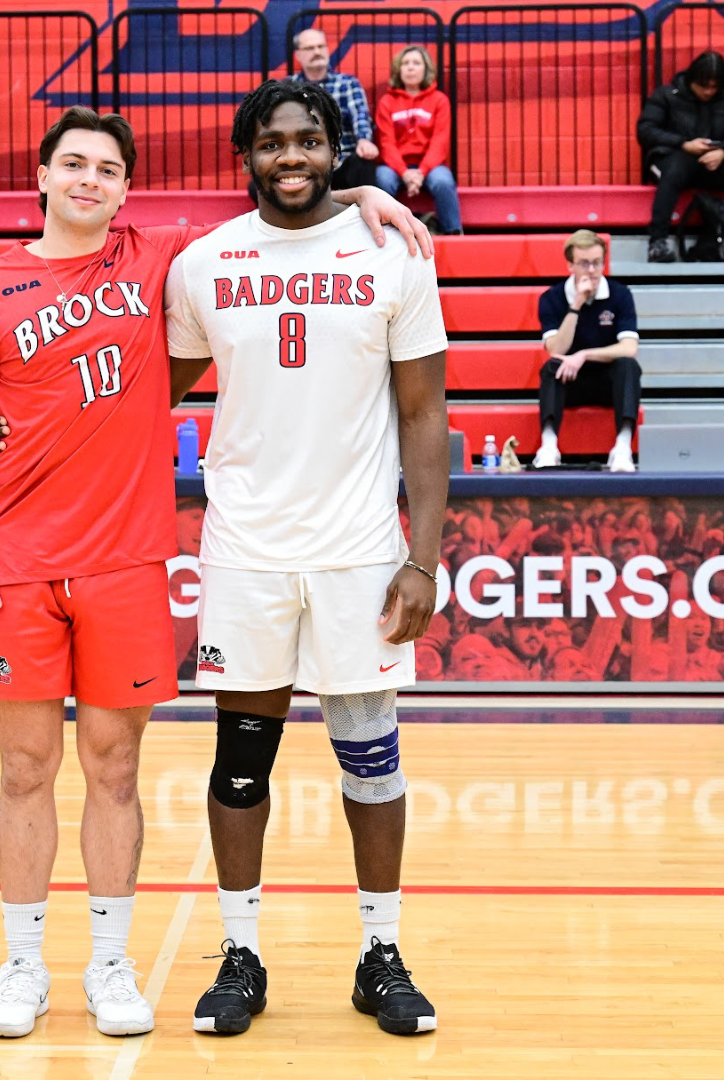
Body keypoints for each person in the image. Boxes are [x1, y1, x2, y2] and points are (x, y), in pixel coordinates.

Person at [0, 106, 428, 1041]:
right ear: (40, 177)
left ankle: (111, 965)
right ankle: (23, 965)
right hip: (19, 563)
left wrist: (361, 191)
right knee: (25, 771)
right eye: (71, 164)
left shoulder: (165, 256)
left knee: (115, 772)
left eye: (107, 169)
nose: (88, 180)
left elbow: (288, 207)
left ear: (126, 189)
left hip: (125, 559)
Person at [165, 79, 450, 1037]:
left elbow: (424, 416)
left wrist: (424, 555)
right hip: (245, 548)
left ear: (338, 148)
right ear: (246, 155)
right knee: (241, 759)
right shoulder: (205, 262)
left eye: (310, 140)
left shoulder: (391, 251)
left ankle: (381, 953)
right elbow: (140, 391)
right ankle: (240, 954)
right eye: (273, 143)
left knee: (371, 757)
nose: (292, 157)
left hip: (359, 552)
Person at [636, 51, 724, 264]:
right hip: (673, 158)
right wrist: (683, 144)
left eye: (714, 87)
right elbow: (646, 130)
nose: (709, 92)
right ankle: (658, 241)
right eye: (703, 86)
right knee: (675, 170)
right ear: (691, 80)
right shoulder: (666, 95)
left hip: (715, 160)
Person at [533, 230, 641, 472]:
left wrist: (583, 355)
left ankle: (622, 447)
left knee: (628, 366)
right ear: (570, 264)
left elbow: (629, 347)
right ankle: (549, 446)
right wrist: (576, 305)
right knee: (551, 368)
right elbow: (556, 349)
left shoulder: (620, 295)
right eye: (584, 263)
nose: (592, 270)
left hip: (608, 383)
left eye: (597, 263)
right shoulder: (551, 298)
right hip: (570, 383)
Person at [373, 45, 461, 235]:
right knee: (382, 179)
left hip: (429, 166)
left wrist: (421, 172)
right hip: (395, 166)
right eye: (405, 63)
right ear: (399, 70)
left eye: (416, 63)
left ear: (425, 69)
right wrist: (405, 173)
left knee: (443, 181)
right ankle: (386, 235)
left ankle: (453, 233)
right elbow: (386, 144)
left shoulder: (439, 100)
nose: (410, 68)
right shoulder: (387, 102)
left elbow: (440, 142)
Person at [283, 29, 382, 191]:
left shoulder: (347, 83)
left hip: (342, 162)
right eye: (310, 48)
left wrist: (364, 140)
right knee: (257, 187)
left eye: (321, 46)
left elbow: (361, 117)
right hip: (304, 165)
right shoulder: (288, 87)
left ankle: (364, 216)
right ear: (298, 55)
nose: (317, 52)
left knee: (364, 162)